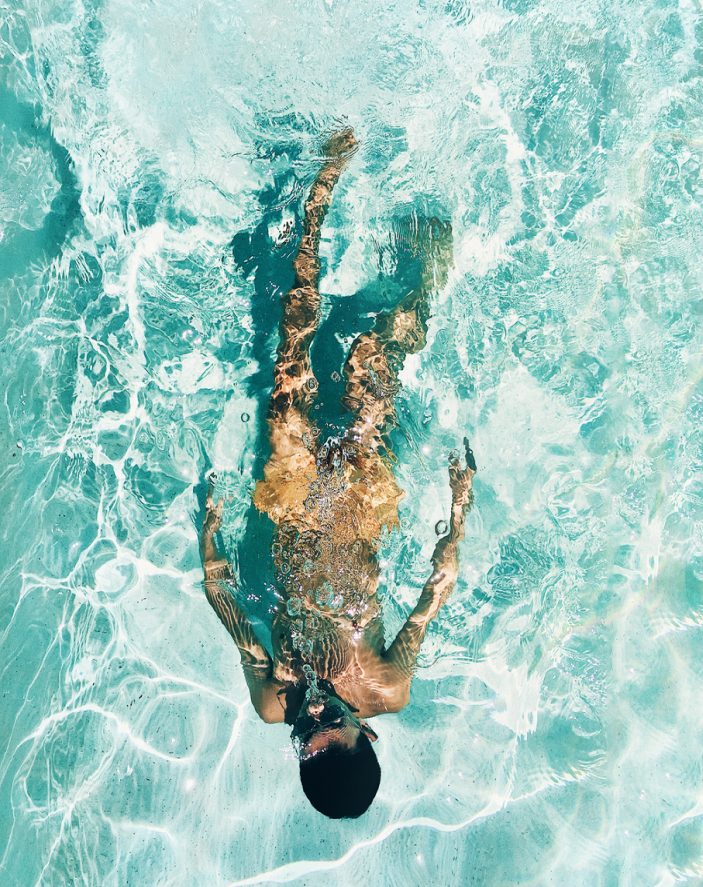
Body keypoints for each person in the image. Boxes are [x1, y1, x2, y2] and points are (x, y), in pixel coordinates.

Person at [199, 127, 476, 819]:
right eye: (331, 725)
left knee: (289, 361)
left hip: (291, 502)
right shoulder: (385, 683)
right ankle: (428, 260)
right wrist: (459, 505)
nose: (311, 713)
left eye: (303, 735)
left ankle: (320, 196)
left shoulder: (272, 700)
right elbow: (431, 595)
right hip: (358, 502)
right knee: (369, 357)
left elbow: (222, 600)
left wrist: (210, 531)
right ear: (365, 729)